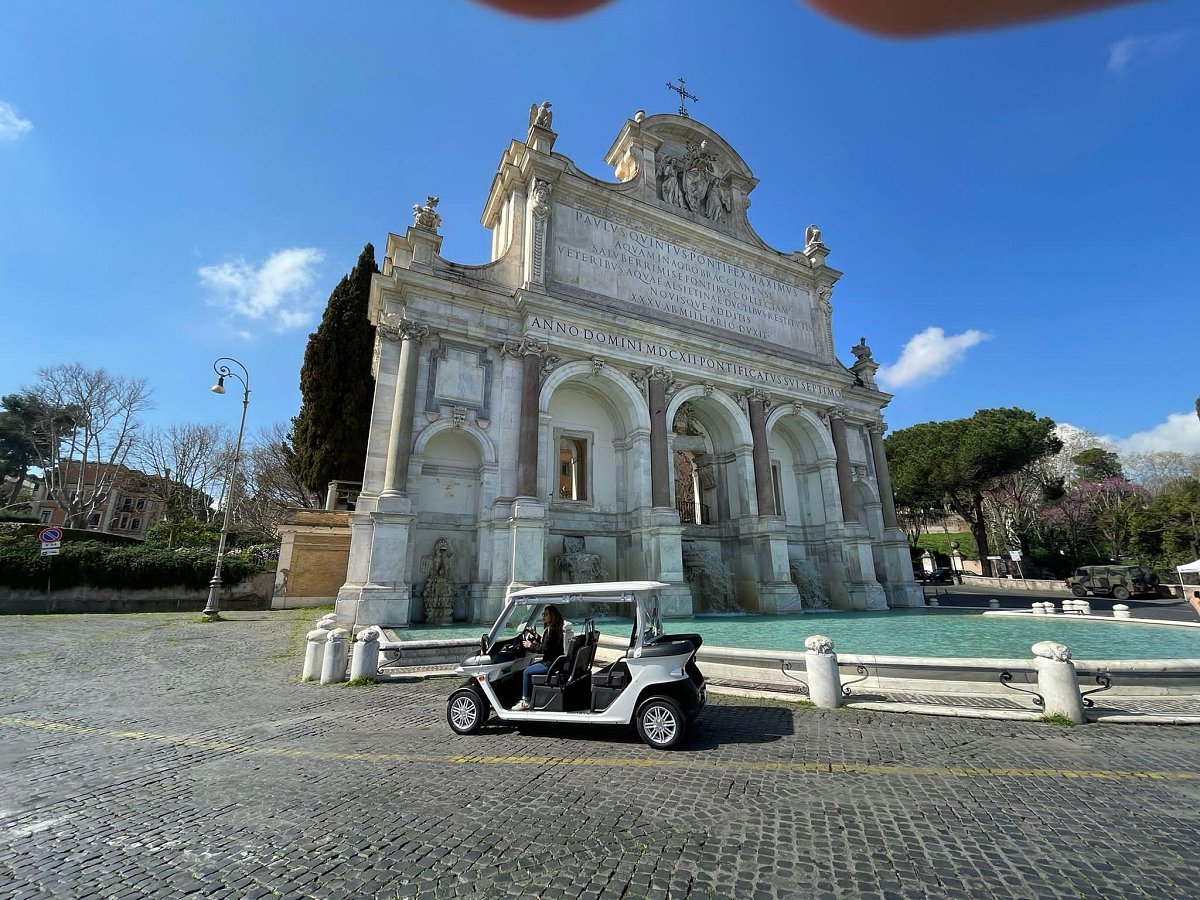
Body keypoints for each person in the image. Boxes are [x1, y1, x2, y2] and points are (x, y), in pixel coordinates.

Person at [513, 605, 565, 711]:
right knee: (528, 669)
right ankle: (528, 697)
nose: (543, 616)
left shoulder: (551, 630)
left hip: (550, 664)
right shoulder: (555, 628)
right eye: (543, 614)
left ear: (552, 616)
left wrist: (530, 645)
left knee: (526, 672)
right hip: (554, 662)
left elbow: (544, 649)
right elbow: (546, 643)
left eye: (546, 614)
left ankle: (526, 701)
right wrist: (535, 635)